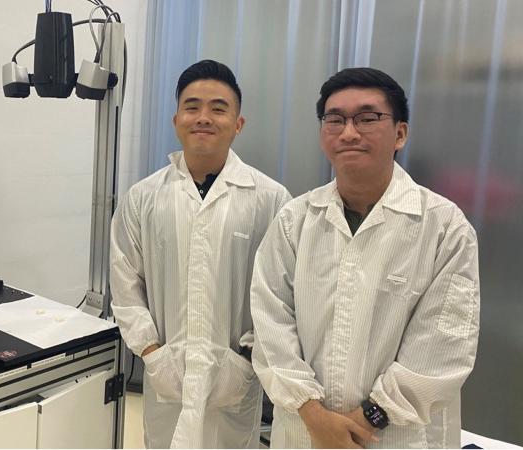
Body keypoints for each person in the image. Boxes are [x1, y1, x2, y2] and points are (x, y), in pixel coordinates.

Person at [249, 67, 480, 448]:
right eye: (335, 119)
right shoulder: (294, 220)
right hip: (305, 431)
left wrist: (368, 419)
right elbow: (270, 321)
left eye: (367, 118)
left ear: (400, 134)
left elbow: (443, 344)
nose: (349, 132)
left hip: (397, 435)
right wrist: (314, 414)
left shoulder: (444, 227)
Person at [110, 59, 291, 448]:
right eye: (192, 107)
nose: (204, 117)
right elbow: (126, 286)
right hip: (167, 375)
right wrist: (153, 354)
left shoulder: (272, 200)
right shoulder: (143, 198)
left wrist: (246, 358)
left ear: (238, 124)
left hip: (235, 381)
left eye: (218, 108)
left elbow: (280, 296)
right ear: (176, 120)